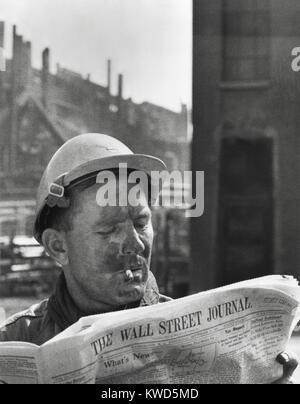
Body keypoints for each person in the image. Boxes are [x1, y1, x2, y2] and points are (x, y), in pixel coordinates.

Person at [0, 133, 297, 383]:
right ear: (58, 246)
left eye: (141, 223)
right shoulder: (15, 342)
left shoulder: (198, 340)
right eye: (109, 229)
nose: (134, 243)